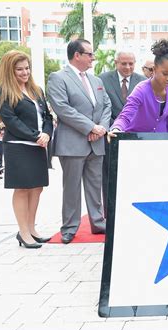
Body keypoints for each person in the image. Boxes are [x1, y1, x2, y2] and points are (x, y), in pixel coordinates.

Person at [47, 39, 111, 244]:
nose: (93, 58)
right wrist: (90, 127)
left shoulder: (96, 81)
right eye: (89, 54)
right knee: (72, 188)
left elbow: (106, 105)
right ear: (77, 55)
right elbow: (63, 108)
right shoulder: (58, 78)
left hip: (96, 142)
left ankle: (98, 222)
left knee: (95, 186)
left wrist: (100, 128)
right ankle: (69, 227)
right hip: (73, 143)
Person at [0, 50, 53, 249]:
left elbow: (47, 117)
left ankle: (32, 229)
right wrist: (37, 135)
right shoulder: (3, 92)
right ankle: (23, 232)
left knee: (37, 187)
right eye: (19, 69)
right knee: (22, 188)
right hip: (18, 147)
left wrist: (46, 134)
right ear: (10, 71)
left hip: (38, 146)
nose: (25, 72)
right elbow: (11, 121)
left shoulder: (36, 90)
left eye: (27, 68)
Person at [99, 51, 146, 214]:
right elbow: (101, 107)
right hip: (110, 135)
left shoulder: (143, 81)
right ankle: (109, 212)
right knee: (108, 175)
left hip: (135, 137)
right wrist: (112, 127)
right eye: (123, 63)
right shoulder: (103, 80)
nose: (127, 67)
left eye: (131, 64)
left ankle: (133, 209)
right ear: (116, 63)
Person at [108, 39, 168, 135]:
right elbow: (125, 115)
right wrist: (116, 128)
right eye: (165, 74)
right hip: (137, 141)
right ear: (154, 69)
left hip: (161, 143)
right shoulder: (141, 90)